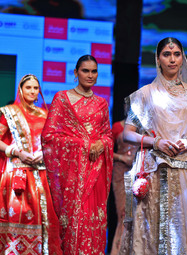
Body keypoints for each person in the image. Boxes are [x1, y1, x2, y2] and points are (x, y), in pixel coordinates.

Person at [119, 37, 187, 255]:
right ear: (158, 59)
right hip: (153, 172)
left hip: (185, 171)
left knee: (183, 229)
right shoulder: (144, 94)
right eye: (167, 54)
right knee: (151, 232)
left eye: (177, 54)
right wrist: (156, 141)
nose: (172, 59)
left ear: (182, 58)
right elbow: (127, 134)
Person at [41, 55, 114, 254]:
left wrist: (102, 144)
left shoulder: (101, 103)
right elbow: (49, 137)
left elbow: (108, 135)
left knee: (94, 219)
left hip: (96, 171)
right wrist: (84, 145)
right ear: (75, 73)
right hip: (72, 175)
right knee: (74, 220)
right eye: (85, 71)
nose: (90, 75)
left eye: (94, 71)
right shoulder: (62, 99)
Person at [0, 74, 62, 254]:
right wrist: (17, 152)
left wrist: (45, 154)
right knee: (17, 221)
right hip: (17, 177)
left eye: (36, 88)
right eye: (28, 88)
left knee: (46, 223)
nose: (32, 91)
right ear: (21, 89)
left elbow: (53, 143)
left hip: (42, 177)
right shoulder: (8, 112)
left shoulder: (46, 115)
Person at [109, 119, 138, 255]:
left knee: (136, 213)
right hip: (121, 172)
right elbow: (107, 150)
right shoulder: (117, 127)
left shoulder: (145, 125)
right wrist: (122, 157)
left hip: (138, 172)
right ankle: (119, 250)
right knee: (123, 213)